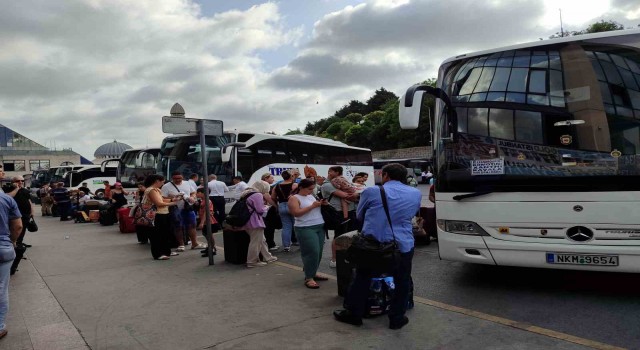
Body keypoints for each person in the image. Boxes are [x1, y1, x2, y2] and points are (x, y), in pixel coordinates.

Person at [333, 163, 421, 330]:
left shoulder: (373, 191)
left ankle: (354, 314)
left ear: (385, 175)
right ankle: (397, 318)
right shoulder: (415, 193)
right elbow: (412, 214)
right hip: (402, 245)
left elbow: (359, 215)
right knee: (402, 281)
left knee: (362, 278)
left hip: (373, 246)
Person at [288, 179, 328, 289]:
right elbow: (296, 213)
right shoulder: (294, 198)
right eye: (309, 189)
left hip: (319, 225)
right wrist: (312, 206)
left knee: (318, 252)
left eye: (313, 189)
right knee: (312, 252)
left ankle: (313, 272)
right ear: (301, 187)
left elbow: (315, 207)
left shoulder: (311, 196)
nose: (311, 191)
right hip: (305, 227)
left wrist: (322, 204)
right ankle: (309, 277)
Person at [322, 166, 358, 268]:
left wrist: (354, 193)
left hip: (350, 211)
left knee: (351, 235)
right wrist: (354, 194)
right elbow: (345, 195)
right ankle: (335, 259)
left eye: (332, 172)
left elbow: (352, 192)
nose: (329, 173)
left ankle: (347, 256)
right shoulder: (327, 185)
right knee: (338, 236)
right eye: (330, 171)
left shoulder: (340, 181)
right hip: (338, 213)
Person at [162, 171, 205, 252]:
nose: (178, 180)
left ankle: (194, 243)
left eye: (179, 178)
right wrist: (174, 198)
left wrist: (192, 197)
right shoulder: (166, 186)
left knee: (192, 225)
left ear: (183, 177)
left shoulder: (187, 183)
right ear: (172, 178)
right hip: (175, 208)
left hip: (188, 207)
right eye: (175, 178)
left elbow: (193, 192)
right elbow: (162, 198)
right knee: (178, 227)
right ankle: (181, 244)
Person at [141, 174, 180, 260]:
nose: (163, 183)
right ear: (157, 181)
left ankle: (166, 251)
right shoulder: (151, 190)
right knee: (157, 235)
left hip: (163, 213)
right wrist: (172, 203)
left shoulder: (157, 190)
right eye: (162, 181)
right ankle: (158, 254)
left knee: (165, 234)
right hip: (156, 215)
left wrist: (173, 199)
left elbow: (162, 199)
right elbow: (159, 203)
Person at [0, 190, 23, 339]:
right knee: (1, 288)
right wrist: (13, 241)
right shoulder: (6, 199)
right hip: (2, 249)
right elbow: (17, 226)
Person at [239, 181, 277, 268]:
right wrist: (267, 207)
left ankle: (268, 257)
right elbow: (260, 210)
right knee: (255, 242)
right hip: (255, 221)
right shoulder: (257, 195)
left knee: (261, 240)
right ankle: (252, 261)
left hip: (247, 220)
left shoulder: (246, 193)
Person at [272, 170, 297, 252]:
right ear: (291, 176)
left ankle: (286, 246)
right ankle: (299, 241)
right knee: (296, 225)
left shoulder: (277, 186)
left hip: (282, 206)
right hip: (293, 205)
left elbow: (273, 197)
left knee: (286, 227)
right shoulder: (294, 185)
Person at [7, 177, 33, 248]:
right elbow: (9, 197)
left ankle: (20, 243)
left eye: (22, 180)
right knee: (16, 228)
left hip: (25, 214)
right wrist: (17, 188)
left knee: (23, 229)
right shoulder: (9, 189)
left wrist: (32, 212)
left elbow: (29, 201)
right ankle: (14, 243)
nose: (21, 182)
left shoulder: (25, 190)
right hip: (15, 214)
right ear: (13, 182)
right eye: (18, 181)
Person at [261, 173, 279, 251]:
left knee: (269, 227)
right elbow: (268, 198)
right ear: (266, 178)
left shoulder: (263, 186)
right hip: (267, 211)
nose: (273, 179)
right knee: (269, 228)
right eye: (271, 178)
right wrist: (276, 206)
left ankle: (270, 243)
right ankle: (270, 244)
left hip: (266, 210)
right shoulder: (265, 187)